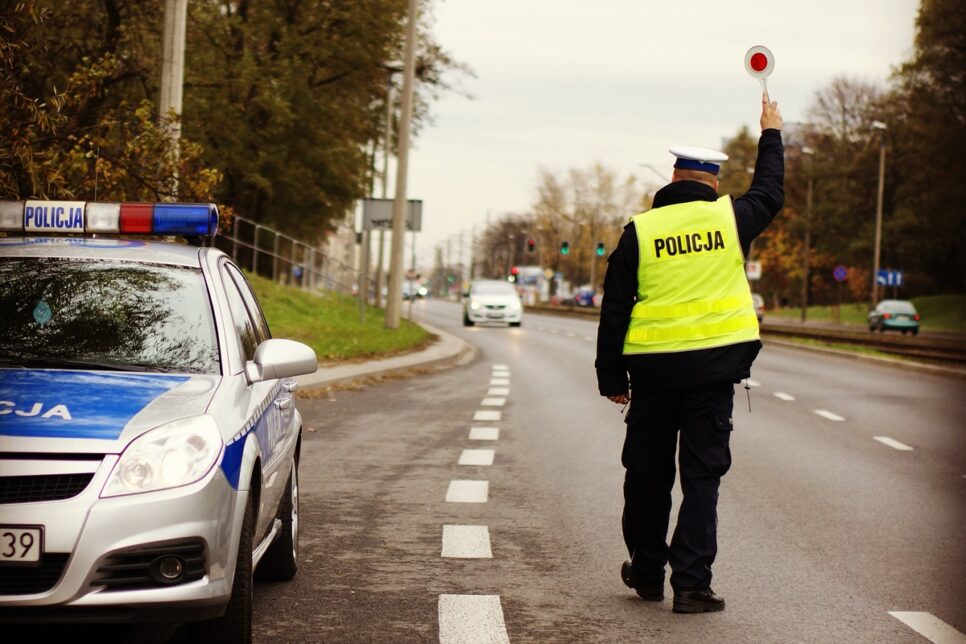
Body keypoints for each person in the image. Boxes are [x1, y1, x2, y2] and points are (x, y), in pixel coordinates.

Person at [595, 92, 784, 614]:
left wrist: (612, 376)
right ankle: (692, 585)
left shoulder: (641, 231)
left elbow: (615, 309)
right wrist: (771, 131)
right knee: (701, 479)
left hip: (653, 377)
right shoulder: (731, 220)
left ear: (673, 178)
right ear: (713, 184)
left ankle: (649, 571)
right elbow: (770, 191)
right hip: (712, 376)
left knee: (647, 476)